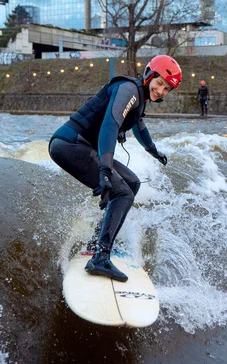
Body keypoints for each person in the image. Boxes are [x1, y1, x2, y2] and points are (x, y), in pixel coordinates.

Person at [48, 55, 181, 282]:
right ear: (149, 75)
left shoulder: (140, 98)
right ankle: (100, 257)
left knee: (132, 183)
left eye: (167, 89)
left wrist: (154, 151)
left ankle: (96, 244)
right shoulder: (129, 89)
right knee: (122, 192)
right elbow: (110, 124)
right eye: (159, 83)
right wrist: (105, 171)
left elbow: (139, 128)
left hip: (83, 147)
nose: (161, 91)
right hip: (69, 144)